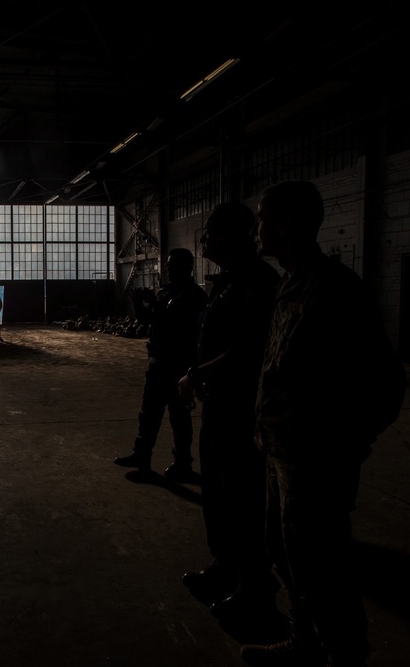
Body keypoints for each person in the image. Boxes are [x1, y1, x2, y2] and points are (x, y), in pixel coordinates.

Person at [240, 180, 405, 667]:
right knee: (283, 550)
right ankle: (305, 641)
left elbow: (385, 382)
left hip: (315, 460)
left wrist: (348, 443)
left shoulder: (333, 288)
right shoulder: (290, 283)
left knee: (321, 565)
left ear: (287, 225)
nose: (257, 229)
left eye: (265, 218)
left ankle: (344, 656)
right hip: (280, 449)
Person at [176, 204, 281, 631]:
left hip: (244, 408)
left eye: (210, 234)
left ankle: (255, 587)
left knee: (242, 498)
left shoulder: (260, 282)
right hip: (219, 403)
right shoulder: (228, 282)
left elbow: (253, 347)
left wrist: (202, 372)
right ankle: (224, 566)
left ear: (234, 237)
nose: (203, 242)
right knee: (218, 493)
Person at [113, 248, 207, 477]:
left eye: (173, 265)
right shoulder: (165, 292)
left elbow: (176, 326)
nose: (168, 269)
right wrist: (139, 305)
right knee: (149, 413)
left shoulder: (195, 296)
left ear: (187, 267)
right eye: (167, 265)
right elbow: (150, 322)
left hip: (178, 366)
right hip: (158, 363)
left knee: (179, 417)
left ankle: (183, 464)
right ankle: (141, 455)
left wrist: (154, 306)